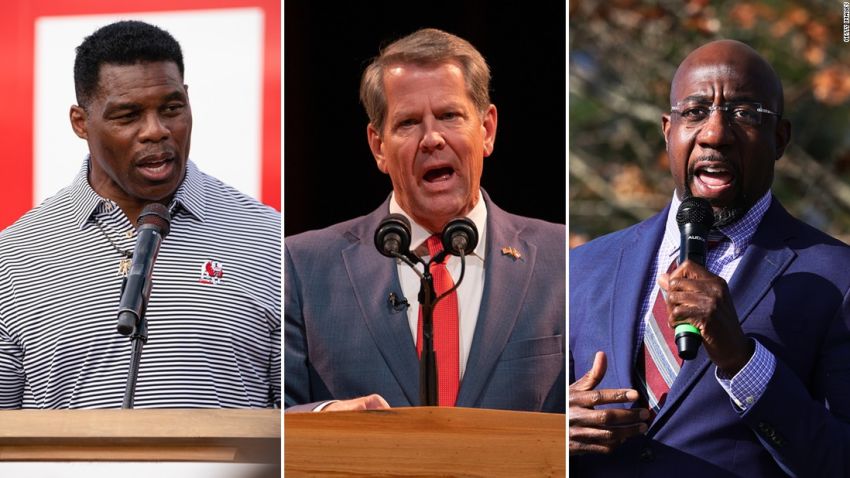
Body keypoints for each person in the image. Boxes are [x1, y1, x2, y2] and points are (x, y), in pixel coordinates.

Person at [570, 39, 850, 476]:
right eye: (696, 111)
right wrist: (554, 432)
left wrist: (742, 360)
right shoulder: (584, 266)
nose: (716, 134)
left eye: (744, 113)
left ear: (780, 138)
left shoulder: (838, 278)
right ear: (668, 131)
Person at [0, 20, 280, 409]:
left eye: (171, 108)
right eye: (128, 115)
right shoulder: (14, 257)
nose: (156, 131)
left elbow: (298, 420)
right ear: (80, 123)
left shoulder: (268, 238)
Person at [285, 28, 565, 413]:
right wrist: (322, 419)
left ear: (486, 129)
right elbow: (269, 418)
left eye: (449, 115)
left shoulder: (561, 260)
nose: (432, 138)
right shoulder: (302, 266)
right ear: (378, 146)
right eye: (408, 123)